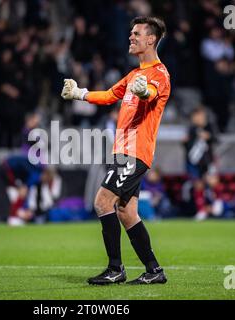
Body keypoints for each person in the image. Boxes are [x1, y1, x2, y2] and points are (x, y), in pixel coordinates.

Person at [61, 16, 170, 285]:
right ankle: (154, 271)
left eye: (136, 34)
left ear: (151, 39)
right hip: (124, 153)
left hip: (135, 153)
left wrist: (144, 92)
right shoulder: (134, 74)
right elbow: (110, 94)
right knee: (126, 212)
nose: (131, 37)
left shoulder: (158, 74)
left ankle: (115, 268)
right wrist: (79, 93)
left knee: (102, 201)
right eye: (131, 33)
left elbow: (152, 95)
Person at [184, 106, 216, 179]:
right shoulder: (192, 129)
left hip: (206, 160)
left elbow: (215, 138)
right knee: (195, 181)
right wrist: (185, 142)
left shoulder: (209, 126)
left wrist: (208, 136)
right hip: (193, 160)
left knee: (209, 179)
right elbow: (188, 145)